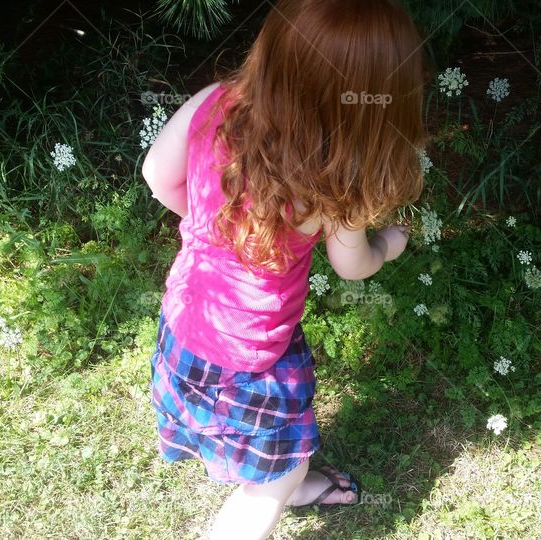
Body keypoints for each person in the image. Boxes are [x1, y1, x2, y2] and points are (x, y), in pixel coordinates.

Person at [141, 1, 427, 537]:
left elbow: (157, 174)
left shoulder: (215, 105)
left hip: (182, 328)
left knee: (242, 440)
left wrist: (217, 228)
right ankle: (280, 485)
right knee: (277, 472)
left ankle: (284, 481)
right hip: (253, 362)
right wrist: (389, 243)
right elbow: (352, 265)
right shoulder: (337, 180)